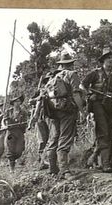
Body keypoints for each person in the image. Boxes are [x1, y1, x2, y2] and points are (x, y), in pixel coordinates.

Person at [80, 47, 112, 173]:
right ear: (103, 60)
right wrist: (88, 95)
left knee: (111, 131)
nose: (111, 60)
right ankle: (105, 164)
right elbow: (82, 85)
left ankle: (95, 156)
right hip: (98, 104)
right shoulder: (95, 73)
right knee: (103, 131)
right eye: (108, 58)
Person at [45, 52, 85, 180]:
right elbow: (76, 95)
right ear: (71, 64)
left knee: (54, 138)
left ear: (61, 65)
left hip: (54, 111)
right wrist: (82, 111)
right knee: (65, 138)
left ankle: (52, 168)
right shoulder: (72, 75)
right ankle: (64, 171)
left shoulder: (53, 78)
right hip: (68, 110)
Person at [2, 95, 28, 172]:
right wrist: (5, 125)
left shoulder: (23, 112)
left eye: (19, 101)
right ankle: (11, 168)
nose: (17, 103)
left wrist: (23, 124)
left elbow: (25, 122)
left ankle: (14, 160)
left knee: (19, 150)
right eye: (15, 101)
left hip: (19, 132)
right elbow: (4, 121)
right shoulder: (8, 111)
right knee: (10, 149)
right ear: (13, 103)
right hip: (10, 132)